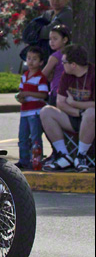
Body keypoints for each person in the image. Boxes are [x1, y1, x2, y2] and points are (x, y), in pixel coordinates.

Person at [41, 44, 94, 172]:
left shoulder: (93, 74)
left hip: (91, 121)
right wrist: (80, 112)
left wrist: (75, 104)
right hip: (74, 116)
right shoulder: (66, 75)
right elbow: (60, 103)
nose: (62, 65)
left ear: (73, 65)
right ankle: (63, 155)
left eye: (64, 62)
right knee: (46, 111)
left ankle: (81, 156)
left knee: (92, 113)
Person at [15, 46, 49, 169]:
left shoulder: (40, 77)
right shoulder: (24, 76)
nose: (30, 61)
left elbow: (43, 94)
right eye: (29, 58)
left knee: (35, 137)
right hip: (24, 111)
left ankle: (36, 160)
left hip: (35, 112)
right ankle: (23, 160)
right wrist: (21, 98)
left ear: (40, 62)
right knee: (22, 138)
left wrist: (27, 94)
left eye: (34, 59)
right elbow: (21, 91)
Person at [41, 24, 71, 107]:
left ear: (65, 40)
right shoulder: (72, 54)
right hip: (70, 92)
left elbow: (43, 75)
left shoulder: (55, 57)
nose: (51, 42)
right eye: (50, 39)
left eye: (55, 39)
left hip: (57, 92)